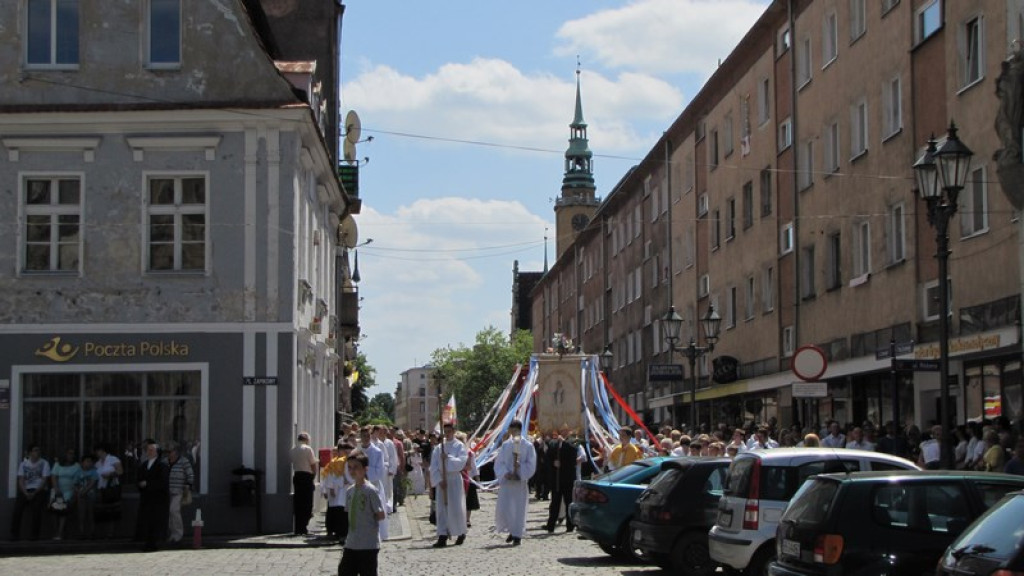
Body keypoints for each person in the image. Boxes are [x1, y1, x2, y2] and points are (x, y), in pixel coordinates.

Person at [338, 450, 386, 576]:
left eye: (356, 467)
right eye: (350, 467)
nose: (352, 471)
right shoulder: (349, 491)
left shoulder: (371, 491)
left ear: (365, 469)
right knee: (344, 571)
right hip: (352, 542)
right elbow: (348, 512)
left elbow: (380, 514)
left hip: (368, 544)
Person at [494, 420, 537, 546]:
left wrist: (520, 470)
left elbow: (531, 464)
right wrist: (505, 473)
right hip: (507, 482)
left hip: (519, 483)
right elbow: (499, 462)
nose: (513, 433)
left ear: (520, 430)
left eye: (515, 431)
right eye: (511, 431)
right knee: (506, 508)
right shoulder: (506, 445)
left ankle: (517, 534)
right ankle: (511, 530)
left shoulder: (528, 446)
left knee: (518, 508)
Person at [429, 422, 468, 547]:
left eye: (449, 431)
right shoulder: (439, 447)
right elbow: (433, 466)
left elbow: (461, 462)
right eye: (445, 432)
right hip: (442, 481)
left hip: (454, 479)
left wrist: (448, 457)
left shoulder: (459, 446)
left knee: (456, 507)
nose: (447, 434)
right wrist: (439, 480)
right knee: (442, 509)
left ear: (454, 431)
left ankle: (460, 532)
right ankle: (443, 535)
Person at [10, 444, 51, 541]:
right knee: (17, 509)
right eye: (35, 450)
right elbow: (20, 479)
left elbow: (44, 480)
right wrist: (25, 492)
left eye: (38, 450)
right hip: (26, 490)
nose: (38, 452)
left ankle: (34, 535)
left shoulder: (44, 463)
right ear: (30, 453)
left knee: (37, 509)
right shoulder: (23, 464)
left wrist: (35, 492)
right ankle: (14, 535)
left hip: (39, 490)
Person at [136, 439, 170, 552]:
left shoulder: (162, 465)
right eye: (148, 450)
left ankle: (154, 543)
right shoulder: (144, 464)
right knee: (147, 521)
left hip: (158, 499)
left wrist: (148, 484)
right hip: (146, 498)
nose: (149, 452)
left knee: (156, 521)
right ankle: (147, 542)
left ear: (157, 452)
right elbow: (139, 478)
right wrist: (140, 484)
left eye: (151, 450)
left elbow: (163, 482)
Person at [543, 427, 578, 534]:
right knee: (554, 503)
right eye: (562, 430)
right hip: (557, 478)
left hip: (568, 478)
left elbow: (574, 453)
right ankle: (551, 525)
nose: (563, 432)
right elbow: (548, 456)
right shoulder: (554, 443)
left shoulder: (573, 442)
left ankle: (570, 526)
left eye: (566, 430)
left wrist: (564, 442)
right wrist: (553, 463)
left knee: (569, 502)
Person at [323, 442, 354, 543]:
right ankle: (340, 533)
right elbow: (331, 476)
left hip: (347, 488)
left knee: (346, 512)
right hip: (341, 489)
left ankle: (345, 533)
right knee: (341, 513)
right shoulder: (338, 462)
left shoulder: (349, 461)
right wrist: (331, 487)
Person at [290, 431, 319, 535]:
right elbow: (313, 464)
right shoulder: (307, 449)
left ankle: (298, 527)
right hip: (306, 476)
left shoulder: (293, 450)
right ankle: (304, 526)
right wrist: (314, 475)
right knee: (307, 502)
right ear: (306, 440)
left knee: (298, 502)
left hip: (297, 476)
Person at [166, 442, 194, 545]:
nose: (169, 453)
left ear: (176, 452)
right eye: (167, 451)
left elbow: (190, 474)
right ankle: (172, 534)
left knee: (174, 511)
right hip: (167, 491)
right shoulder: (165, 462)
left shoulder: (184, 461)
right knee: (169, 514)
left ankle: (178, 534)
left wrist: (188, 485)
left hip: (178, 491)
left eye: (171, 451)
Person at [50, 448, 81, 540]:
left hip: (69, 491)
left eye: (73, 454)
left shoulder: (76, 466)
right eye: (69, 454)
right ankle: (55, 532)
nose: (72, 456)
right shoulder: (57, 465)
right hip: (58, 490)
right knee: (54, 512)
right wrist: (56, 489)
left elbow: (77, 481)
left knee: (64, 512)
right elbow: (54, 477)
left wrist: (74, 493)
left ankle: (60, 533)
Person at [94, 443, 123, 537]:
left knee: (112, 511)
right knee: (102, 511)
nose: (97, 453)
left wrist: (110, 475)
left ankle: (111, 533)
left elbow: (120, 471)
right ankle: (101, 533)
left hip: (111, 488)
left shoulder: (112, 459)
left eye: (98, 451)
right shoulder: (97, 463)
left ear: (102, 451)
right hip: (101, 489)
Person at [456, 432, 480, 528]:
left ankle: (467, 519)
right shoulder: (455, 453)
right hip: (457, 478)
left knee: (468, 501)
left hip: (468, 479)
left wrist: (477, 478)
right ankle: (460, 518)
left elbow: (473, 467)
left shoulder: (470, 453)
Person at [75, 455, 99, 539]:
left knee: (91, 515)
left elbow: (92, 483)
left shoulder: (94, 472)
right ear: (82, 462)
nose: (89, 463)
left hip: (91, 496)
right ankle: (81, 533)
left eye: (90, 461)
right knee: (81, 515)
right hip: (81, 497)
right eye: (87, 461)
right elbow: (75, 484)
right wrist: (79, 492)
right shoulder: (78, 472)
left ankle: (92, 533)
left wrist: (84, 492)